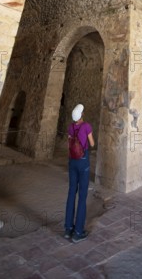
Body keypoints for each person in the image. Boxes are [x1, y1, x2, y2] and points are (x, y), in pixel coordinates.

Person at [64, 103, 95, 243]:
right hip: (83, 162)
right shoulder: (86, 126)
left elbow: (69, 145)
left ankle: (68, 229)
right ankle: (78, 232)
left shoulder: (70, 127)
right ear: (82, 115)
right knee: (82, 196)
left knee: (71, 193)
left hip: (72, 162)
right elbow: (92, 144)